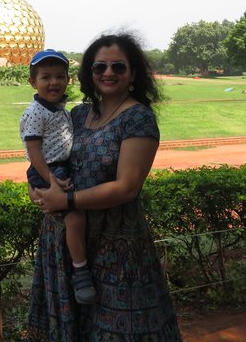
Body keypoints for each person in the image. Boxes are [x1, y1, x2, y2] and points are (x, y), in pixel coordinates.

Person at [27, 33, 182, 342]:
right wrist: (38, 188)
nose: (108, 73)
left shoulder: (138, 118)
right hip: (67, 244)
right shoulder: (79, 114)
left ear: (133, 73)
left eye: (118, 67)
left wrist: (67, 201)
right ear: (90, 73)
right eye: (100, 67)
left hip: (117, 249)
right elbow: (47, 155)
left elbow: (127, 188)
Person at [21, 49, 97, 305]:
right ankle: (80, 270)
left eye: (59, 76)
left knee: (76, 211)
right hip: (49, 168)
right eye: (45, 77)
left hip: (60, 167)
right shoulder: (35, 112)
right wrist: (50, 180)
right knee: (75, 216)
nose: (53, 82)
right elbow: (33, 151)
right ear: (33, 82)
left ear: (67, 79)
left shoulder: (59, 108)